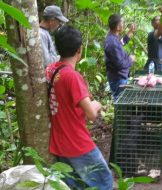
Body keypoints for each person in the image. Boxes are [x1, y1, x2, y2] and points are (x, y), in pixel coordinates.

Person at [45, 25, 113, 190]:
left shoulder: (50, 69)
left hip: (59, 143)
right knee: (104, 182)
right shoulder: (72, 77)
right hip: (77, 143)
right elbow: (91, 114)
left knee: (74, 186)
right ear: (79, 50)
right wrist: (96, 104)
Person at [104, 14, 136, 101]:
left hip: (117, 78)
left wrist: (130, 32)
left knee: (120, 102)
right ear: (118, 26)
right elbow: (120, 64)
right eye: (123, 22)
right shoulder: (112, 42)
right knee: (120, 104)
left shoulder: (112, 37)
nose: (124, 24)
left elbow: (120, 43)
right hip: (118, 79)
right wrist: (130, 59)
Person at [144, 5, 162, 71]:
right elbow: (160, 32)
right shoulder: (151, 34)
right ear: (152, 24)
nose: (160, 20)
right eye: (157, 20)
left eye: (160, 19)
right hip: (153, 66)